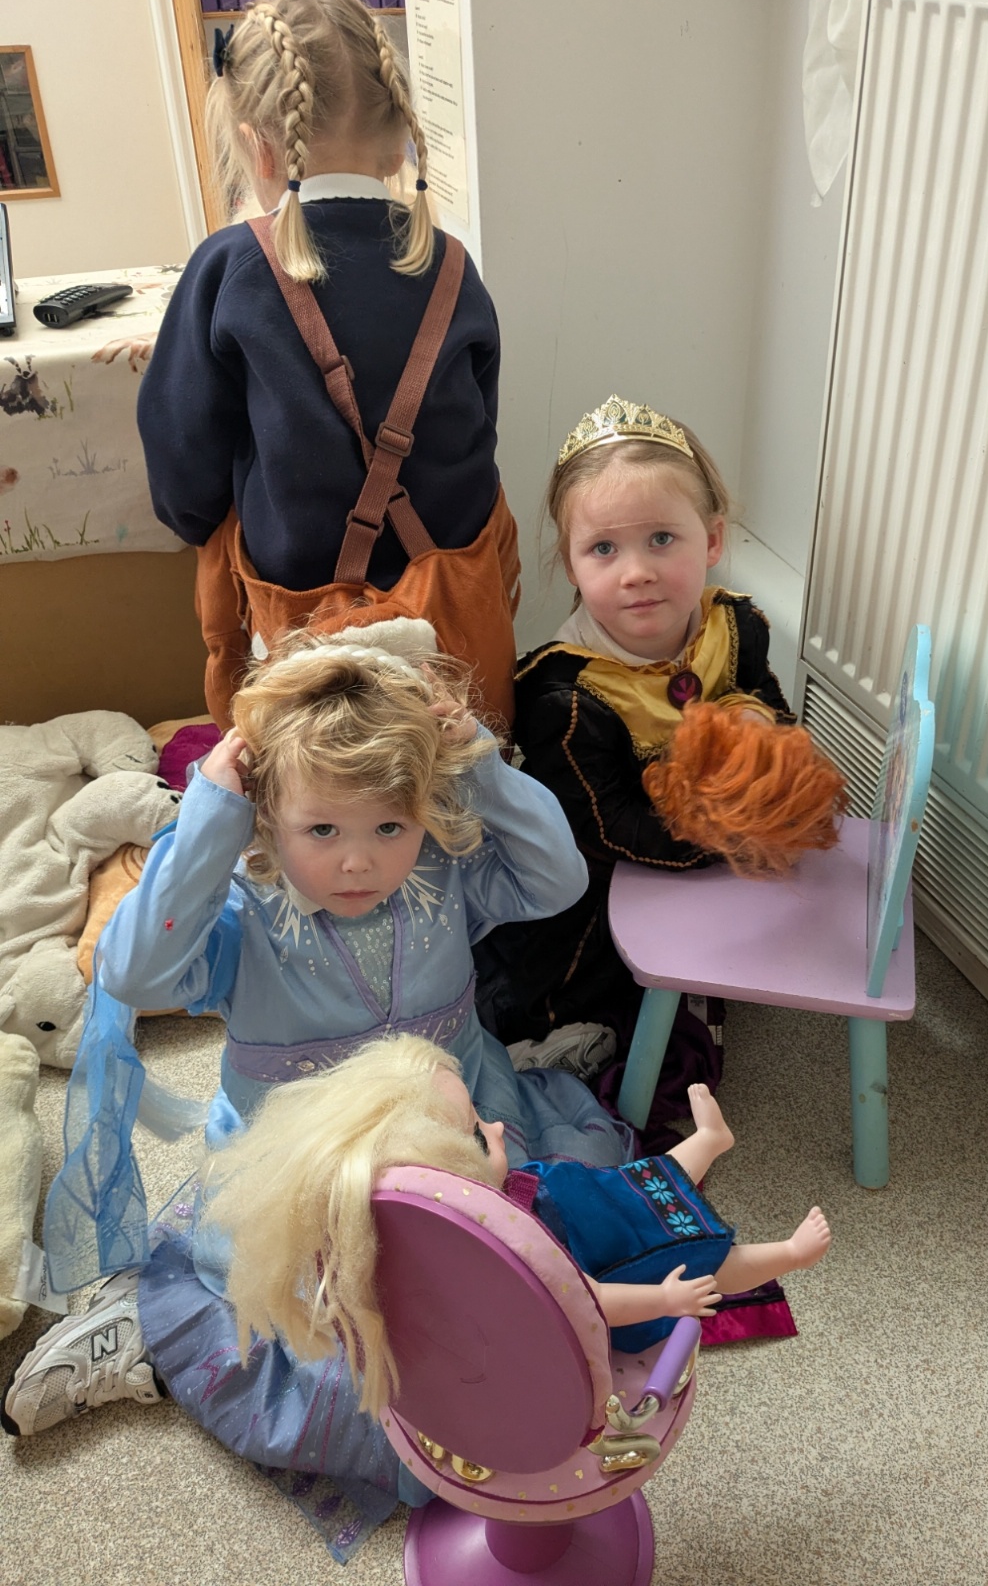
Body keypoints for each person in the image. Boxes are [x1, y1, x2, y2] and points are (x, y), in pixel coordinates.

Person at [3, 628, 632, 1554]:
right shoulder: (243, 906)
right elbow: (131, 974)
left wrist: (481, 764)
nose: (357, 863)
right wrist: (210, 816)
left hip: (459, 1128)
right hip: (302, 1175)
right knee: (333, 1344)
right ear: (266, 817)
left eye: (389, 827)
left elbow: (560, 876)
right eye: (322, 830)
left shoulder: (442, 874)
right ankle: (140, 1334)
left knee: (544, 1271)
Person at [138, 0, 519, 728]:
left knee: (315, 788)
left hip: (304, 644)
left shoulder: (228, 269)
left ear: (257, 145)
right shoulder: (451, 265)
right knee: (459, 776)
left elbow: (184, 492)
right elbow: (479, 433)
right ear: (398, 140)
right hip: (454, 634)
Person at [197, 1033, 832, 1420]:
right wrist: (665, 1299)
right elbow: (587, 1300)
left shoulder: (437, 1218)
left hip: (580, 1206)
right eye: (479, 1135)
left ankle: (709, 1142)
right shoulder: (509, 1251)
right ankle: (789, 1254)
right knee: (702, 1260)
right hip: (609, 1262)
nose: (498, 1127)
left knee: (641, 1181)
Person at [474, 394, 840, 1061]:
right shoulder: (567, 692)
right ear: (573, 564)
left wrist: (755, 727)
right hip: (597, 875)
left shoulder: (732, 625)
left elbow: (769, 701)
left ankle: (704, 965)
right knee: (563, 978)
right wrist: (728, 835)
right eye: (603, 549)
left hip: (696, 843)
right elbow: (604, 826)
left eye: (662, 540)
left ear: (713, 540)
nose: (637, 572)